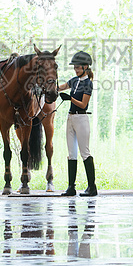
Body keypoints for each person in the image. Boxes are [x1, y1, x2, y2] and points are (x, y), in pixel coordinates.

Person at [58, 51, 97, 197]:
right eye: (75, 67)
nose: (76, 70)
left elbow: (83, 104)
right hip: (70, 118)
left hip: (81, 119)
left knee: (84, 152)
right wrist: (50, 85)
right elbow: (61, 87)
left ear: (86, 67)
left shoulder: (88, 84)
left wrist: (70, 99)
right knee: (71, 153)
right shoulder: (74, 80)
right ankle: (71, 187)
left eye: (78, 68)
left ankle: (92, 187)